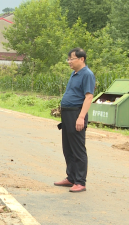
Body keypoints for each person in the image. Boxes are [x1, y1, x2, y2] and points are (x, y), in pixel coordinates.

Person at [54, 48, 95, 193]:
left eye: (72, 59)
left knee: (78, 149)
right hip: (67, 114)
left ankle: (80, 181)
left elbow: (89, 97)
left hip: (77, 114)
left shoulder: (87, 74)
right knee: (68, 148)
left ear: (81, 59)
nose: (69, 62)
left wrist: (81, 117)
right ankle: (71, 177)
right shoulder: (74, 73)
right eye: (69, 59)